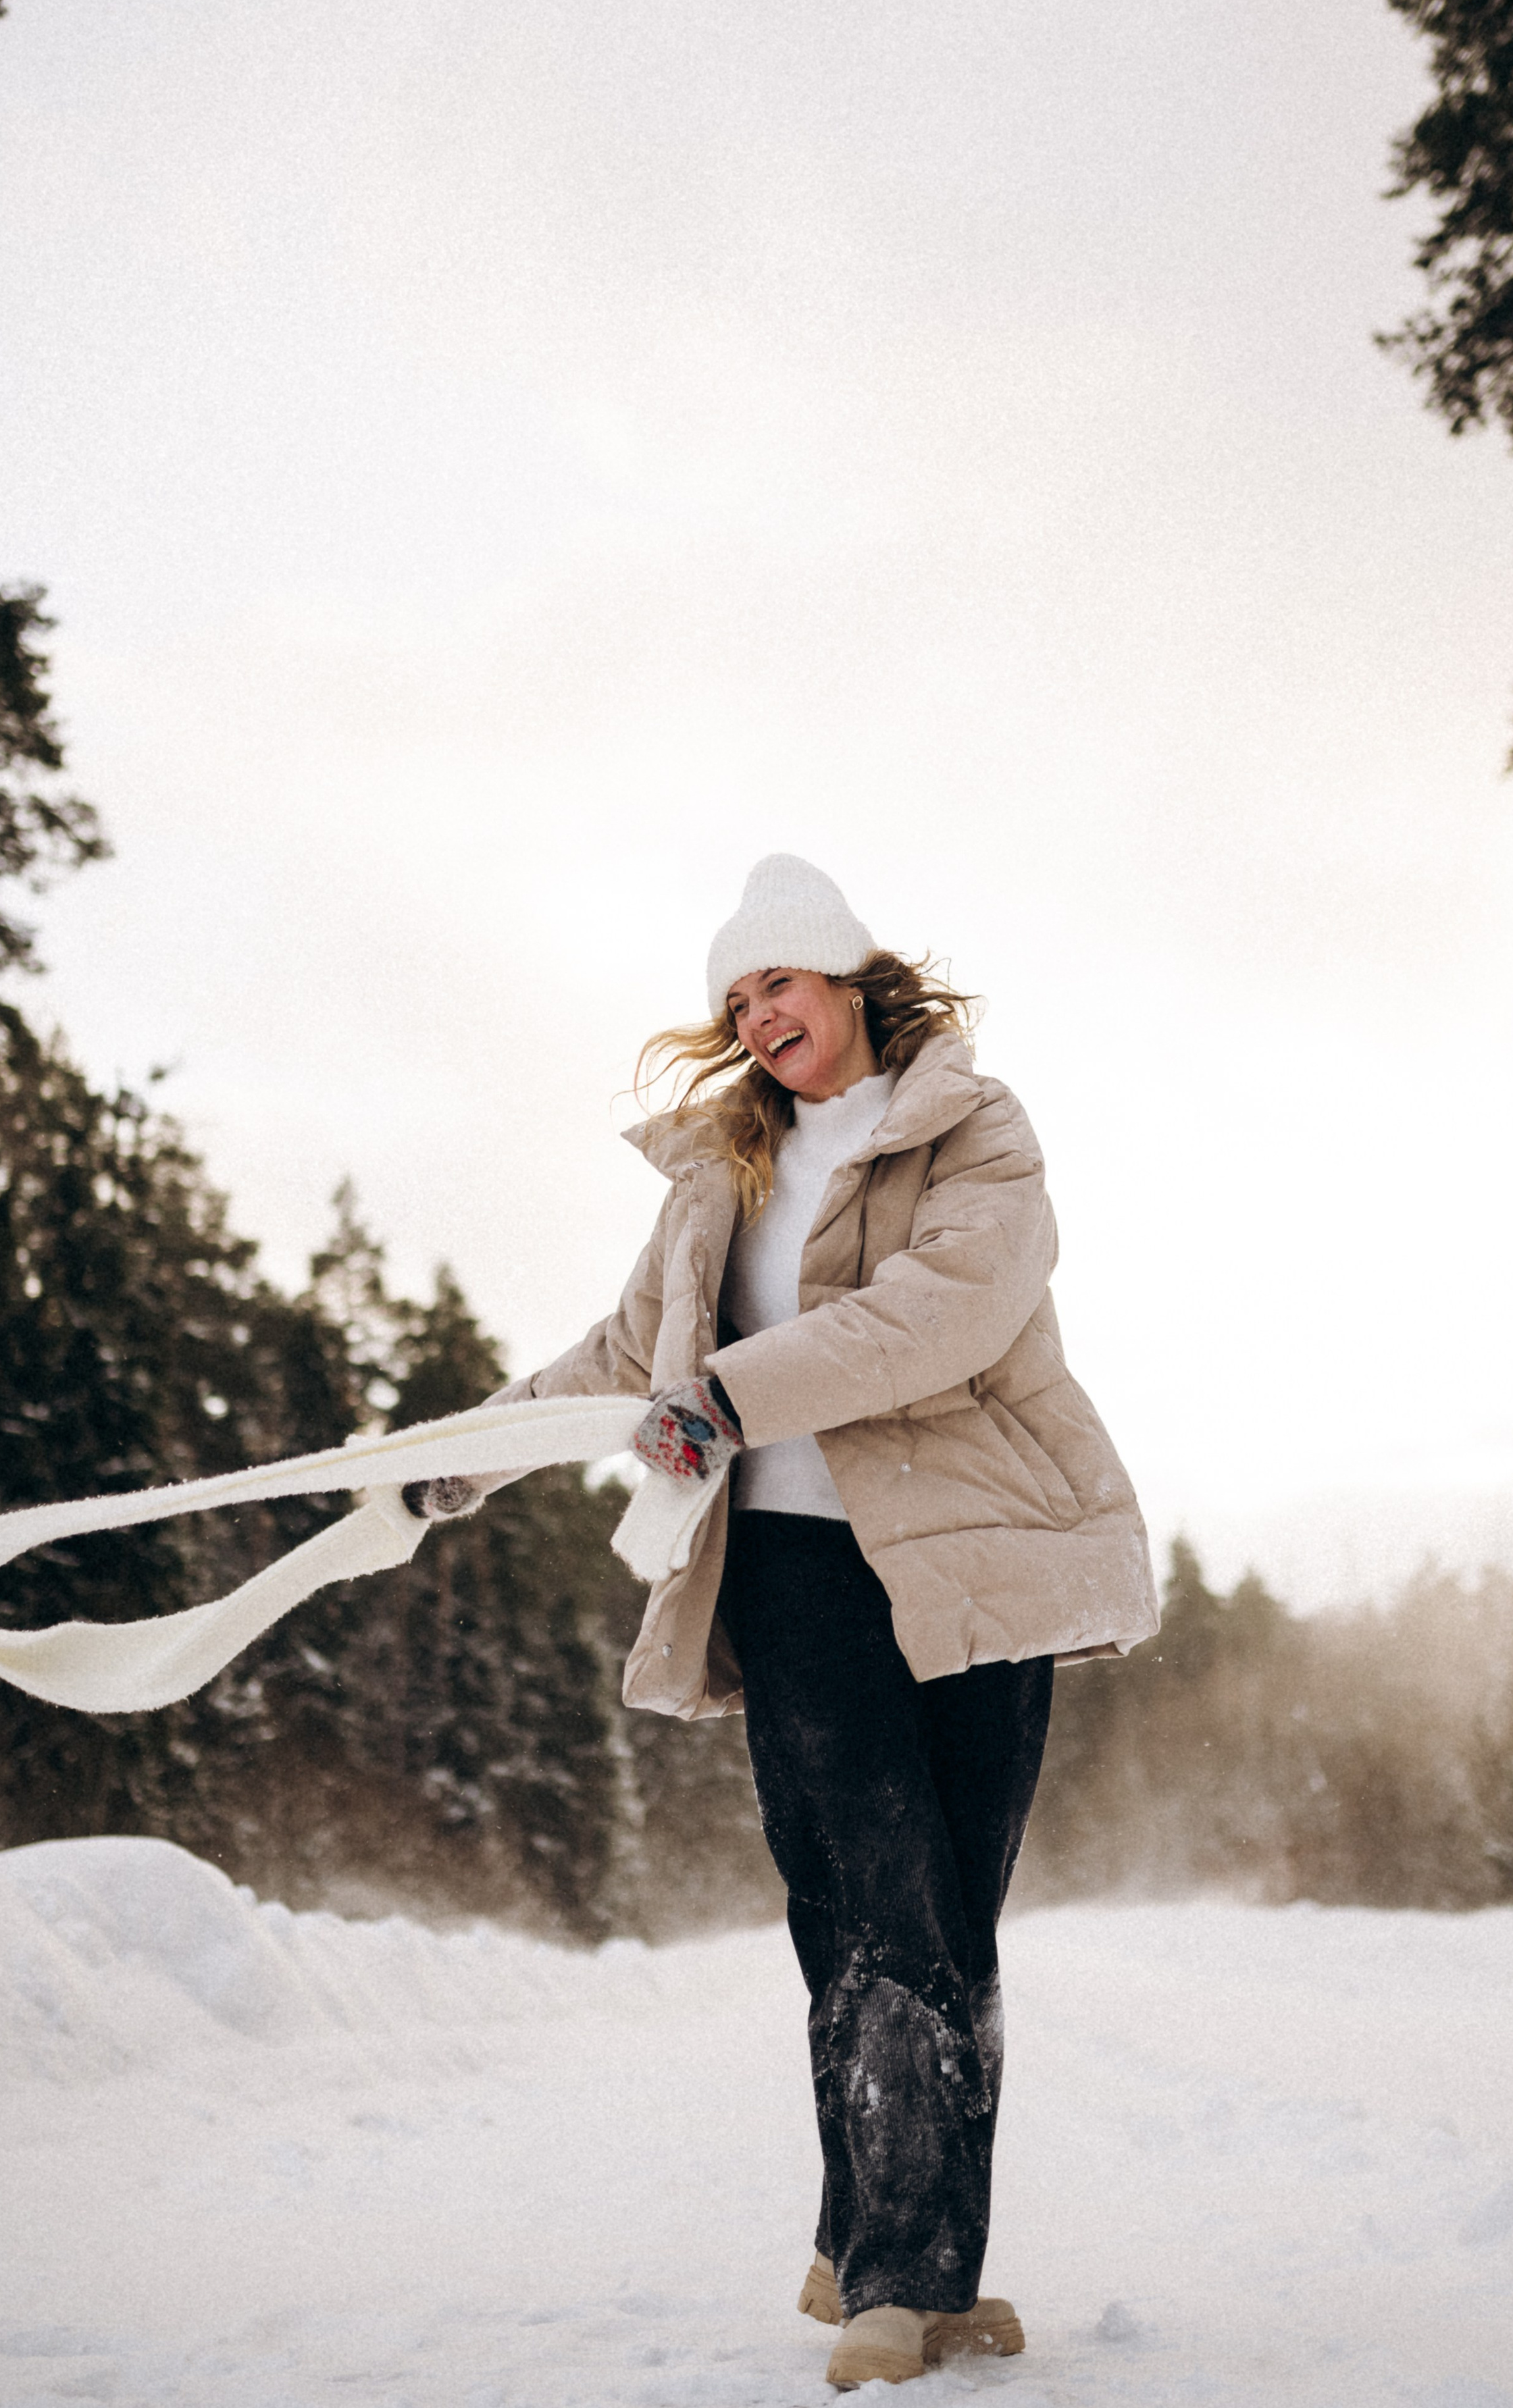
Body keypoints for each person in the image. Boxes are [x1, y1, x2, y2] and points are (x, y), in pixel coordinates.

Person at [406, 853, 1156, 2390]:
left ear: (850, 981)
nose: (756, 1015)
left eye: (780, 982)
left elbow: (944, 1314)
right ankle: (898, 2279)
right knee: (872, 1905)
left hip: (976, 1566)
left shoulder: (970, 1130)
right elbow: (626, 1355)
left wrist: (726, 1400)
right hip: (795, 1572)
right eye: (734, 997)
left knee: (948, 1922)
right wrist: (456, 1457)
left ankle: (896, 2253)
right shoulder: (719, 1179)